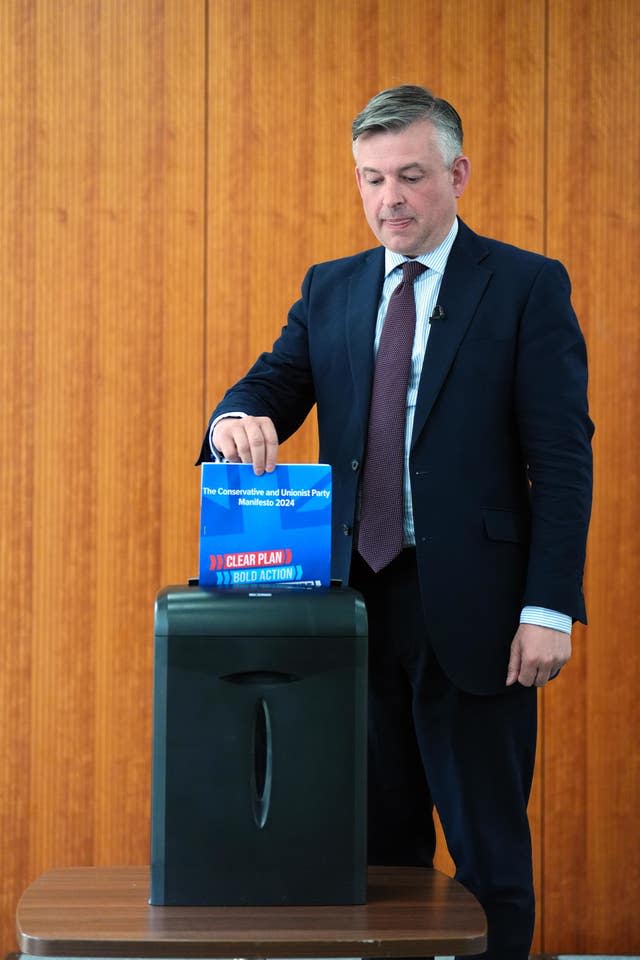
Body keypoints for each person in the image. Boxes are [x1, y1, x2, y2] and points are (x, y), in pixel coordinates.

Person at [197, 85, 593, 959]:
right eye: (372, 179)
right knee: (378, 858)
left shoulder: (526, 286)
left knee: (490, 860)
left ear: (457, 173)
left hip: (483, 617)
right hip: (352, 612)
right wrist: (232, 419)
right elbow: (268, 385)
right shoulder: (331, 288)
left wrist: (549, 606)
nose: (391, 200)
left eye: (410, 176)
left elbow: (563, 461)